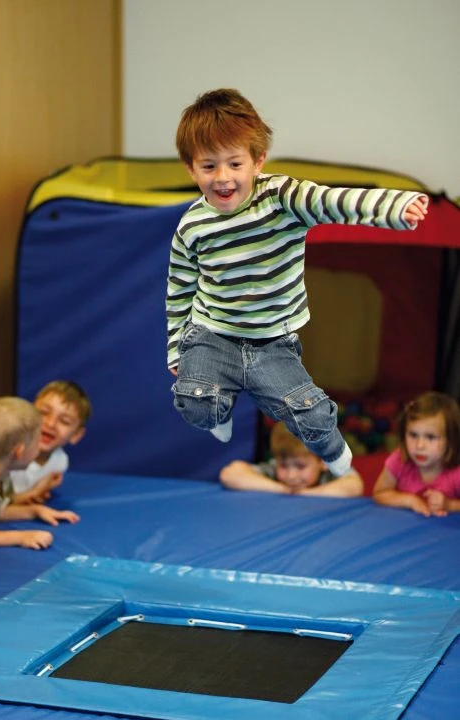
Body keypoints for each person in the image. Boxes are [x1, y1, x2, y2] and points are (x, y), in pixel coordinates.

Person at [167, 88, 428, 478]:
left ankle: (333, 449)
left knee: (309, 414)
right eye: (208, 166)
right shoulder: (192, 225)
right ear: (191, 169)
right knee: (194, 404)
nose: (222, 178)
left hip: (272, 340)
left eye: (235, 164)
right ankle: (217, 412)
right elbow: (179, 291)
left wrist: (395, 207)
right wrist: (177, 348)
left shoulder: (283, 198)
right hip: (213, 334)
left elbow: (334, 202)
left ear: (258, 161)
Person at [0, 397, 79, 550]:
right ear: (20, 451)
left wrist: (36, 510)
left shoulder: (1, 471)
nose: (39, 448)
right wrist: (22, 537)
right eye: (37, 442)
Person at [373, 392, 460, 516]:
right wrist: (410, 501)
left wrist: (449, 504)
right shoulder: (399, 459)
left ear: (451, 440)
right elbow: (379, 493)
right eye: (413, 435)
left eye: (430, 437)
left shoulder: (456, 471)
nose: (419, 446)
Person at [220, 422, 363, 497]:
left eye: (300, 466)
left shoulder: (331, 471)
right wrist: (282, 489)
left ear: (323, 462)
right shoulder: (274, 470)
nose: (291, 475)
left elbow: (355, 486)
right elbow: (230, 474)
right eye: (283, 465)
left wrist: (304, 494)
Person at [10, 380, 91, 500]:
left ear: (76, 435)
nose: (50, 423)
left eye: (64, 421)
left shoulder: (60, 462)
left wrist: (39, 492)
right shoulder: (8, 453)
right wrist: (32, 498)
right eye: (44, 412)